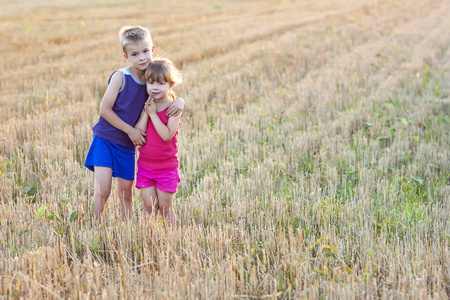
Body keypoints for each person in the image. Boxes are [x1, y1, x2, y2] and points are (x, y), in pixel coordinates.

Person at [84, 26, 184, 220]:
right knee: (103, 190)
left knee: (126, 195)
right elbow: (104, 110)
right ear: (126, 57)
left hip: (128, 146)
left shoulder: (152, 76)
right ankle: (94, 227)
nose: (142, 58)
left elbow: (167, 87)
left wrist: (180, 101)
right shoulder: (121, 77)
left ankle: (127, 231)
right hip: (106, 139)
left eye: (146, 51)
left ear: (152, 50)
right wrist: (130, 131)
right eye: (135, 54)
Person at [134, 58, 183, 228]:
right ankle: (150, 238)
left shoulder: (173, 108)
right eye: (151, 83)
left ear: (170, 84)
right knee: (149, 207)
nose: (155, 87)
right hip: (146, 167)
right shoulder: (147, 105)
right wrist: (147, 112)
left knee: (165, 208)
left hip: (166, 168)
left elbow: (167, 135)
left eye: (161, 83)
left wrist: (154, 114)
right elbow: (139, 134)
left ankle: (172, 237)